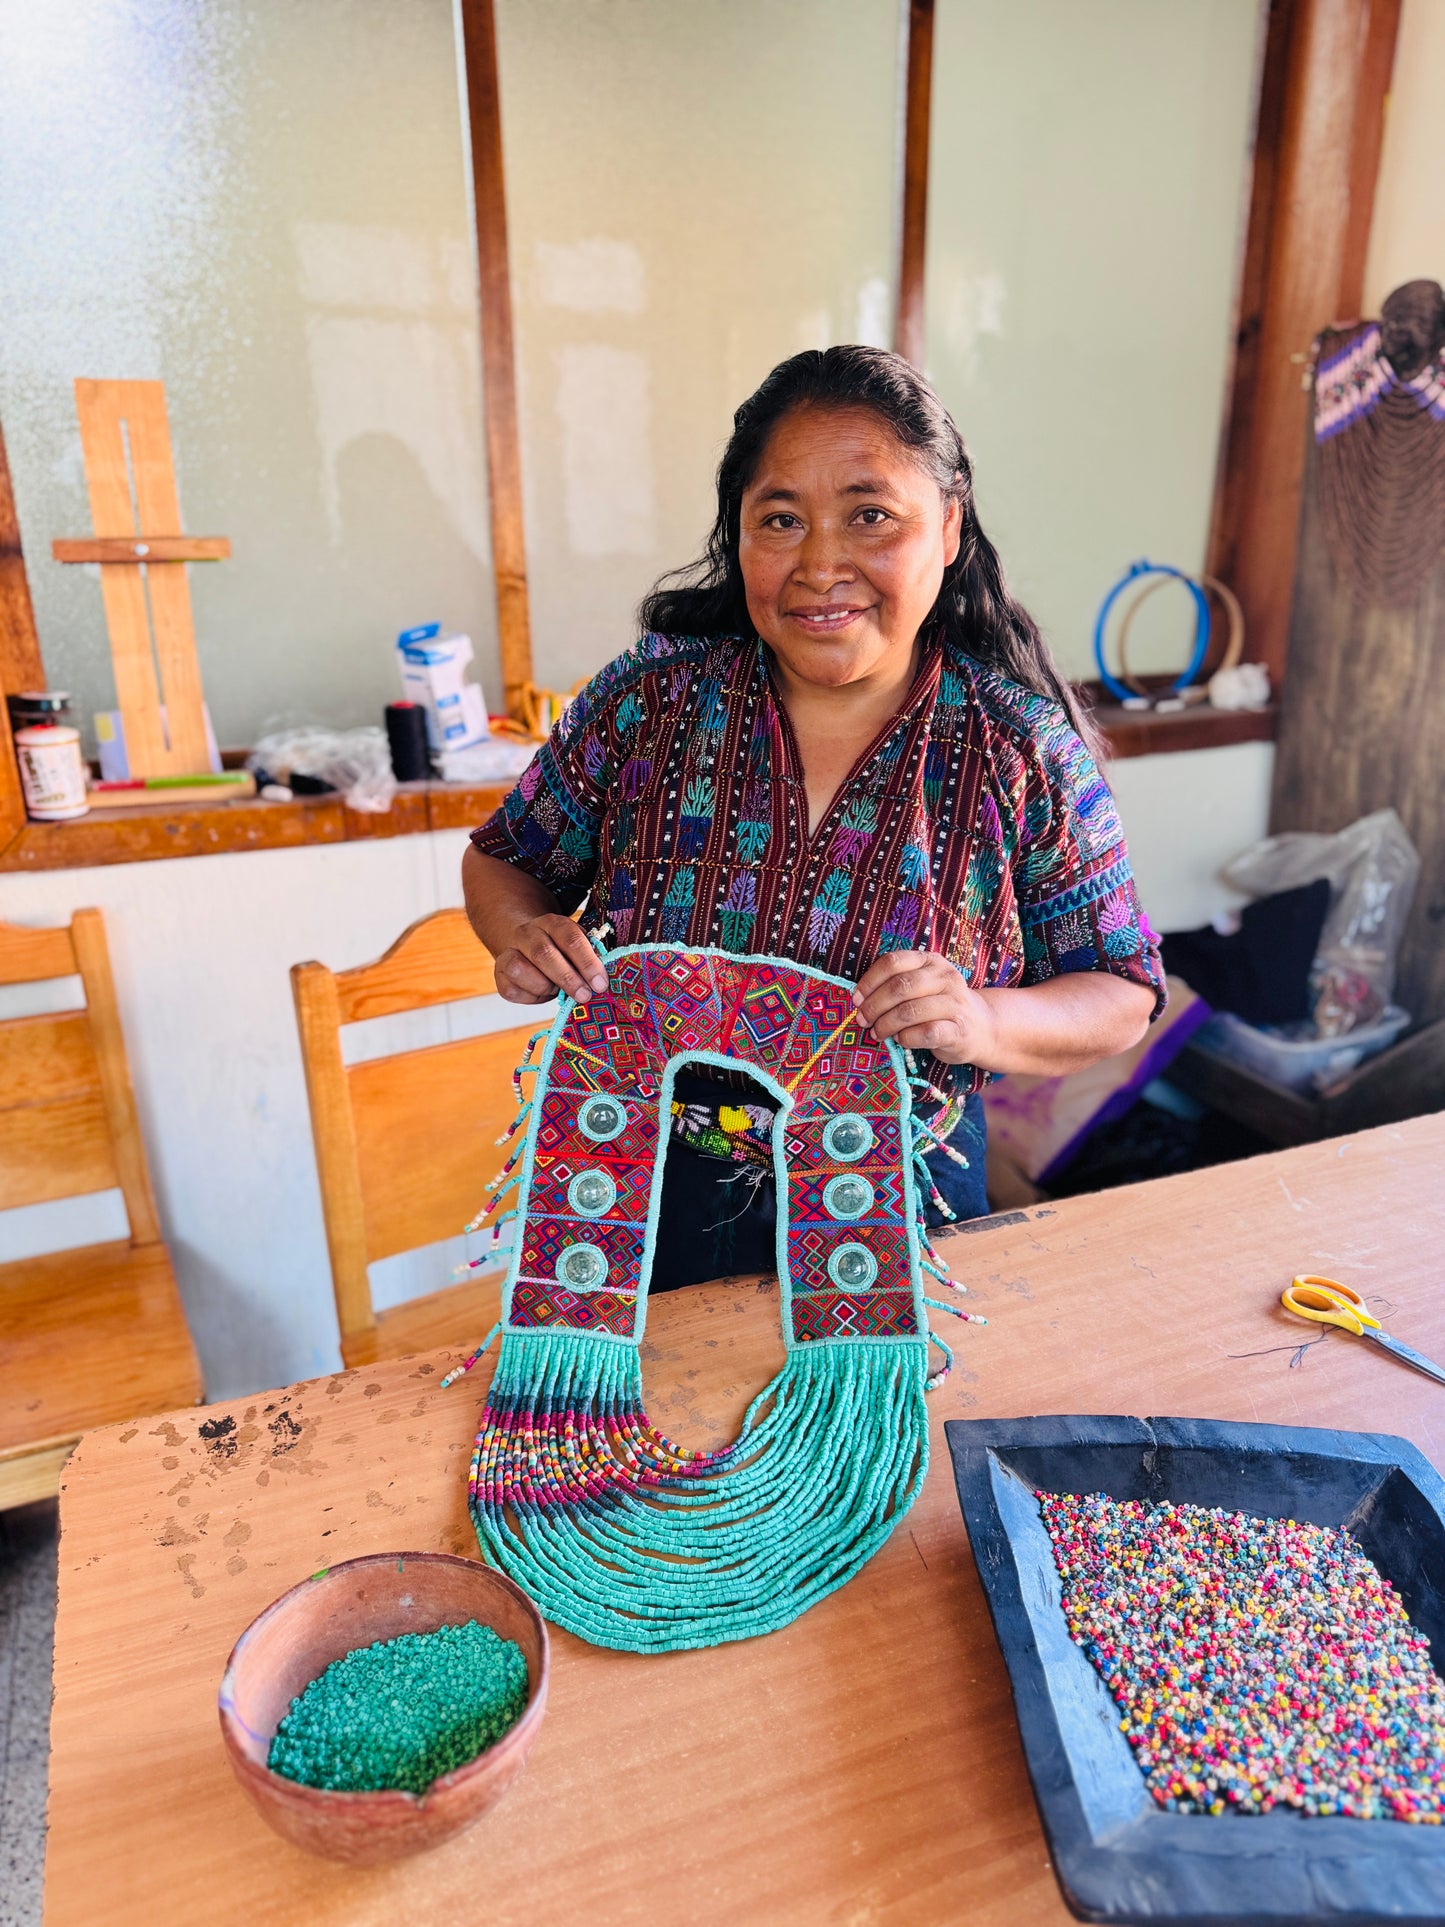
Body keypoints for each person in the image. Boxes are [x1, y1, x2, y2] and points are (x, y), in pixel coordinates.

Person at [463, 345, 1163, 1286]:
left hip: (900, 1210)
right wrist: (523, 932)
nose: (821, 564)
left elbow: (1121, 989)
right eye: (780, 519)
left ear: (948, 529)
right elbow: (505, 859)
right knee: (623, 1427)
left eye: (870, 516)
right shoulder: (646, 704)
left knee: (883, 1431)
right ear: (738, 533)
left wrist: (979, 1019)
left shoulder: (1018, 749)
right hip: (635, 1195)